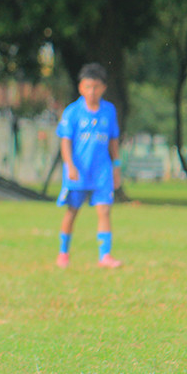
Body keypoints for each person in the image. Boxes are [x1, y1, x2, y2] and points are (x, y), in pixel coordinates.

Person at [55, 63, 122, 269]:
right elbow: (65, 141)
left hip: (101, 171)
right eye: (88, 86)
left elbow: (113, 141)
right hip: (78, 172)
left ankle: (105, 256)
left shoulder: (109, 111)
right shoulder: (73, 112)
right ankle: (63, 253)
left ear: (103, 88)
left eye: (96, 87)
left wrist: (116, 167)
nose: (92, 91)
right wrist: (70, 166)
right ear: (81, 88)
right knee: (72, 211)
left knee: (104, 211)